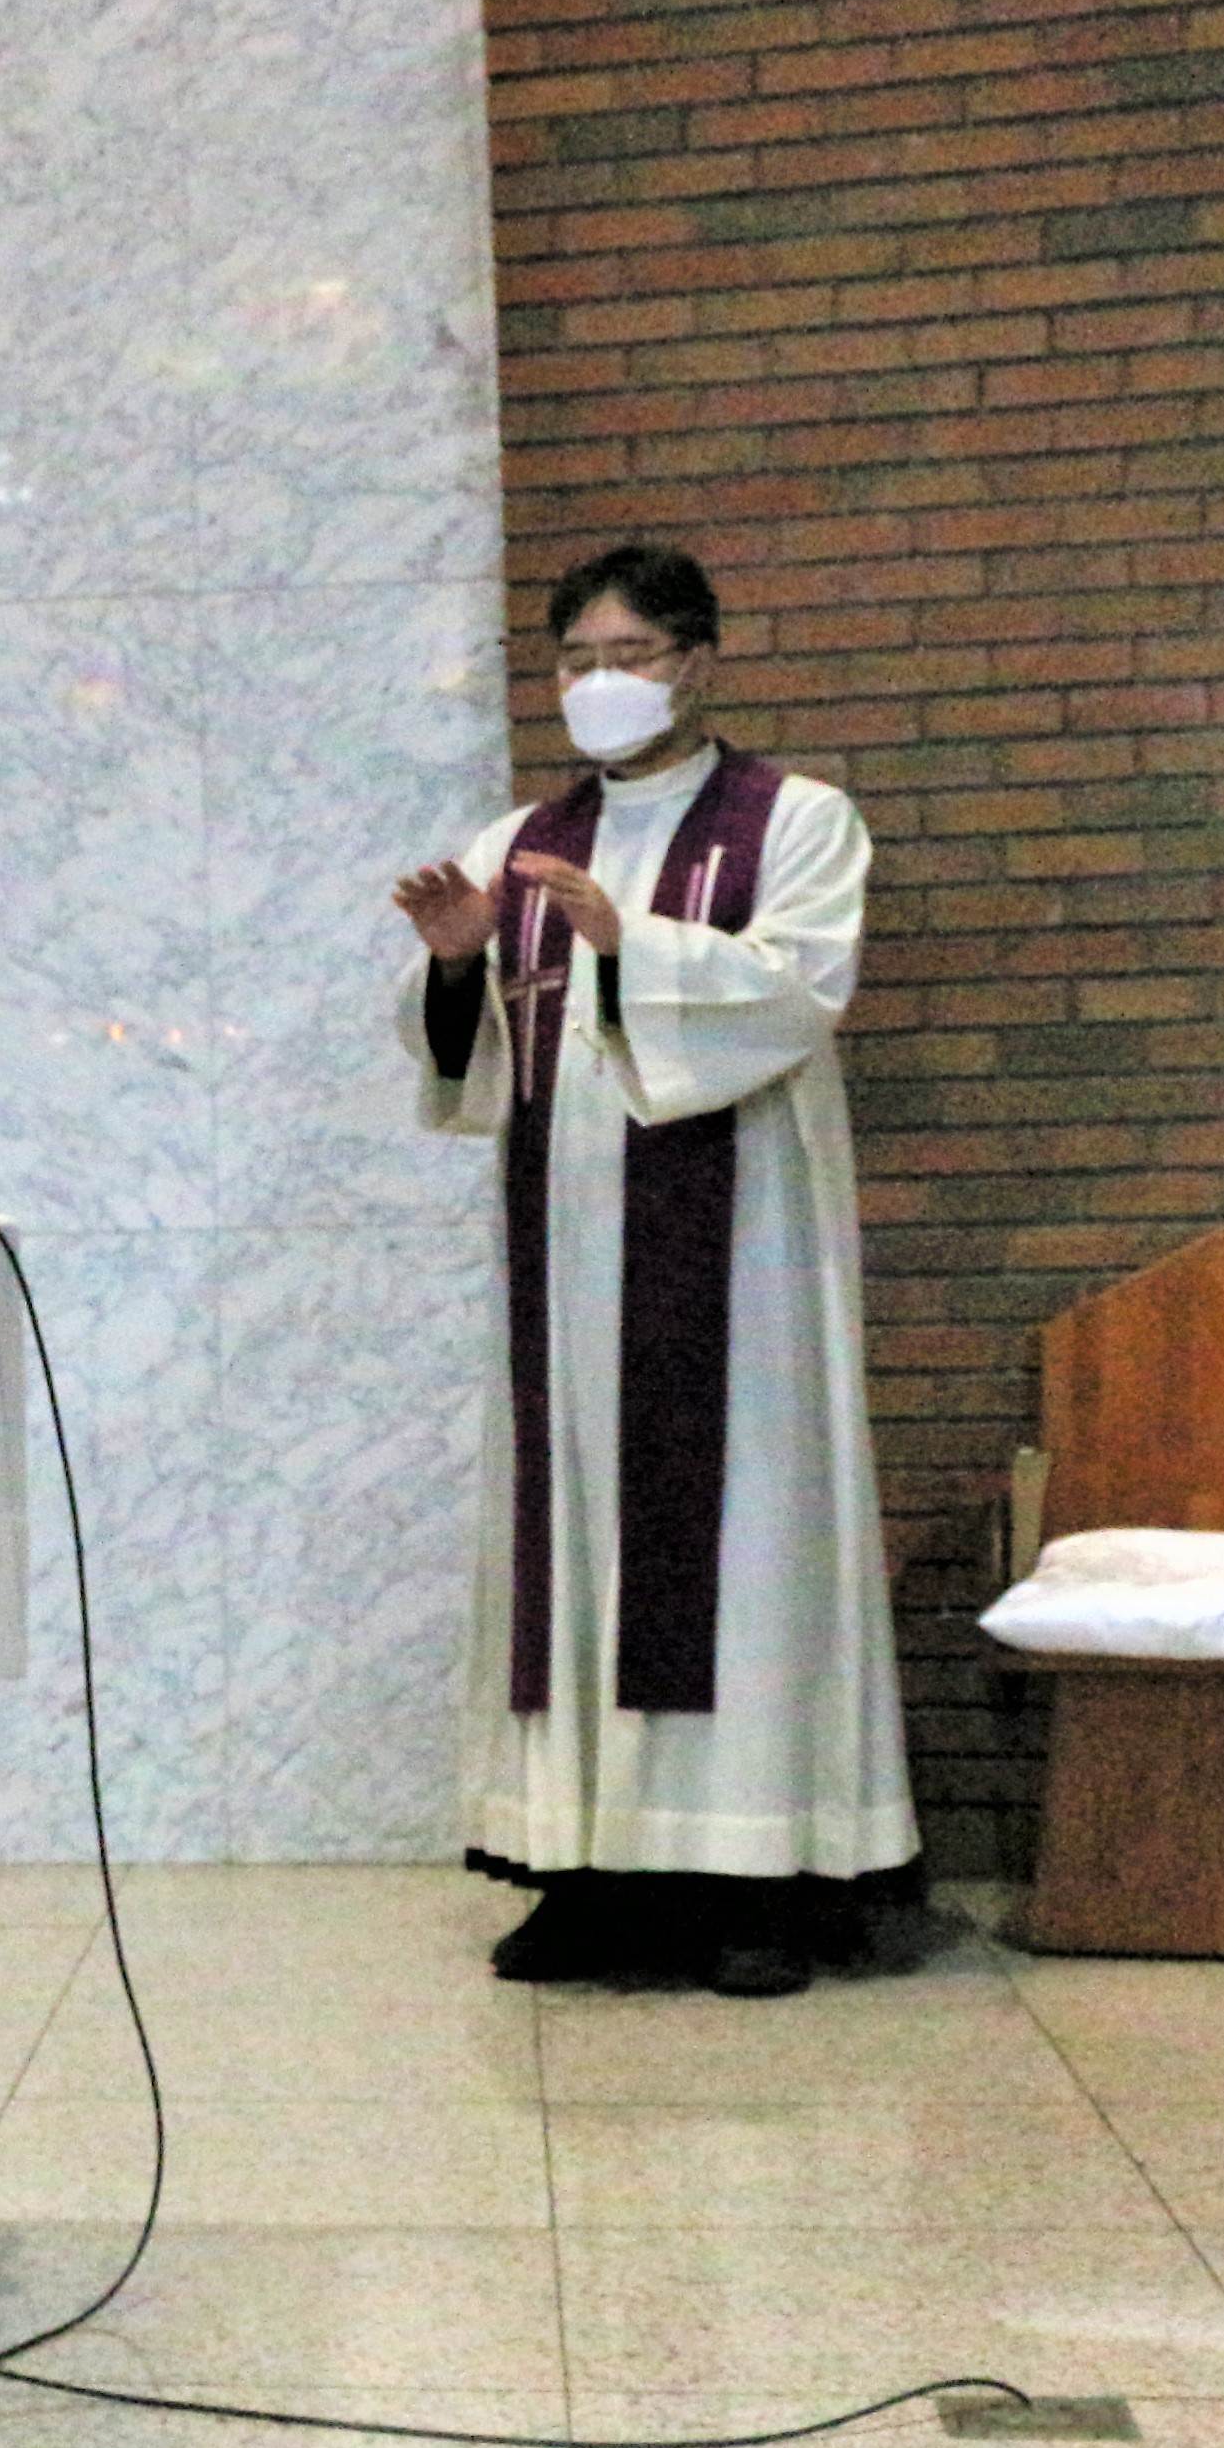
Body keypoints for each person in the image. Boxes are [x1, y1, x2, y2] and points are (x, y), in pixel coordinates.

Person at [391, 542, 920, 1997]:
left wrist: (634, 949)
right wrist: (457, 962)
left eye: (627, 655)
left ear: (697, 661)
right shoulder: (517, 840)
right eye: (574, 659)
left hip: (738, 1258)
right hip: (568, 1266)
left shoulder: (797, 820)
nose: (598, 683)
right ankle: (587, 1873)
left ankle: (755, 1880)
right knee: (574, 1540)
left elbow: (801, 990)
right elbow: (469, 1064)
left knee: (744, 1533)